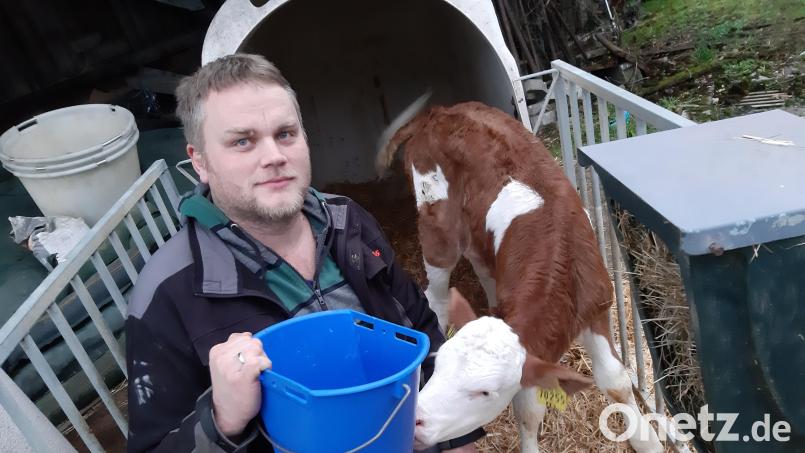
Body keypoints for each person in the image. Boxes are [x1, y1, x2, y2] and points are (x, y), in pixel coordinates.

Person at [126, 53, 484, 452]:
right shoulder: (167, 290)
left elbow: (420, 329)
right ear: (201, 163)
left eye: (285, 134)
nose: (274, 156)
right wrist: (220, 421)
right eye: (242, 141)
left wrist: (456, 440)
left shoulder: (348, 219)